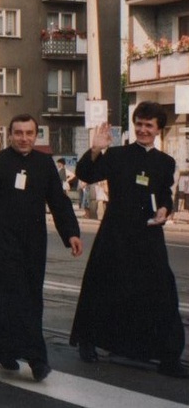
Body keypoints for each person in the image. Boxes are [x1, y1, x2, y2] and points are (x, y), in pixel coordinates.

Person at [0, 113, 83, 382]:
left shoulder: (44, 163)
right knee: (0, 300)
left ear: (36, 135)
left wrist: (71, 233)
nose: (24, 138)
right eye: (18, 133)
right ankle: (5, 352)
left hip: (33, 243)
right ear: (10, 134)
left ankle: (37, 360)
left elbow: (58, 201)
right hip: (1, 242)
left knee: (30, 300)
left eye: (29, 133)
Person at [70, 102, 187, 378]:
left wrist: (165, 210)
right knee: (102, 286)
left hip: (148, 235)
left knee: (162, 292)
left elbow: (164, 195)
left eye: (149, 125)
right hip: (115, 234)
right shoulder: (118, 155)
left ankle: (170, 357)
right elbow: (86, 174)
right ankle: (88, 342)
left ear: (159, 130)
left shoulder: (165, 162)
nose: (143, 130)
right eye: (140, 124)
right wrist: (97, 149)